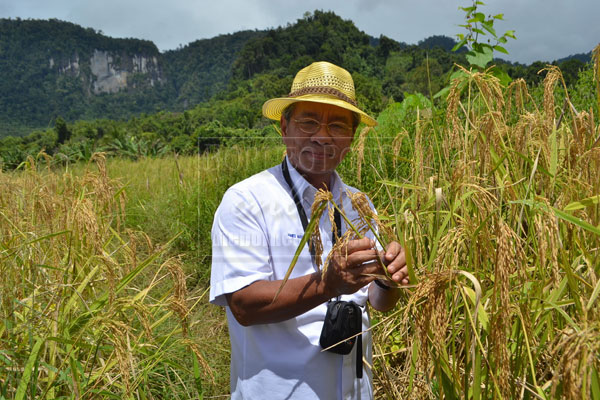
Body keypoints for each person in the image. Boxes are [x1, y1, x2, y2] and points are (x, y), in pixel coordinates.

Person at [210, 61, 409, 399]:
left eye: (337, 124)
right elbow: (243, 305)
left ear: (352, 136)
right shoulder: (247, 200)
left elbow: (377, 302)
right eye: (308, 121)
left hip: (354, 390)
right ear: (284, 127)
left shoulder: (359, 204)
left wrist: (387, 279)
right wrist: (327, 284)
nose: (322, 135)